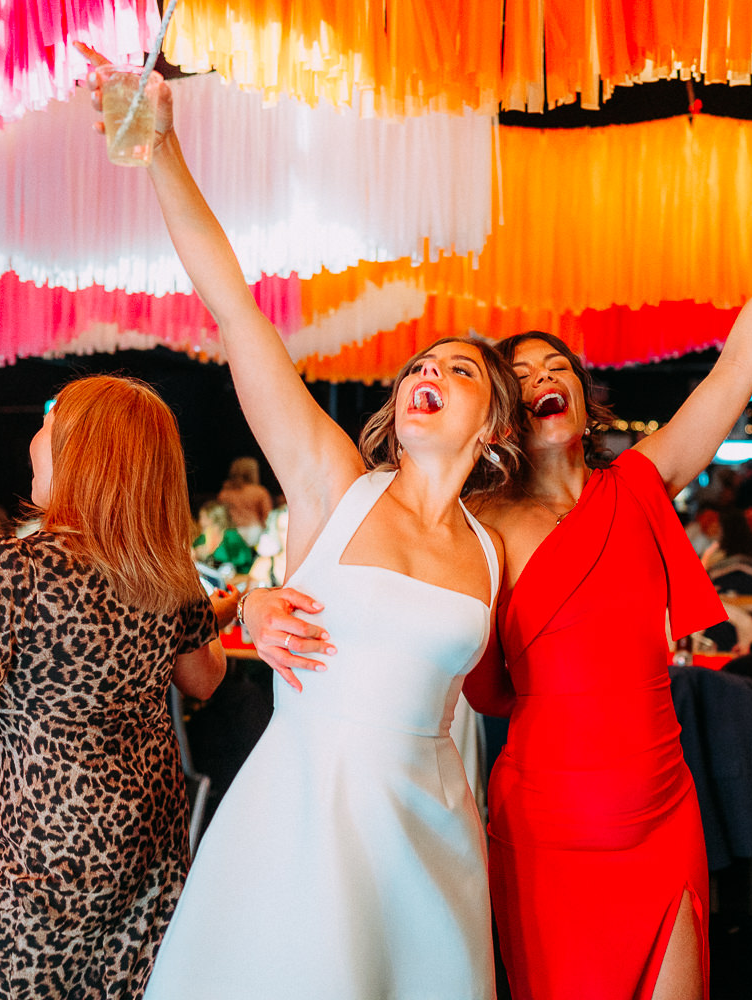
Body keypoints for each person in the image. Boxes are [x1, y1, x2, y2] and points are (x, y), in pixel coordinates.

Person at [250, 151, 752, 998]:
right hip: (541, 832)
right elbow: (369, 607)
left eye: (554, 367)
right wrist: (259, 600)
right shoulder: (472, 529)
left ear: (581, 394)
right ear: (498, 417)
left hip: (663, 812)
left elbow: (741, 363)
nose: (541, 379)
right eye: (519, 376)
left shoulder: (639, 485)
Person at [76, 44, 526, 999]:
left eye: (458, 371)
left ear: (491, 430)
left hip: (433, 826)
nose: (426, 376)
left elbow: (462, 703)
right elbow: (237, 313)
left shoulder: (493, 548)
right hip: (308, 819)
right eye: (420, 367)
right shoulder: (335, 481)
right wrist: (159, 148)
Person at [0, 375, 229, 999]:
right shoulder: (167, 567)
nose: (33, 438)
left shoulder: (14, 568)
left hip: (51, 856)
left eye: (49, 426)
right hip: (151, 839)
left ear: (84, 454)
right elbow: (205, 677)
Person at [216, 456, 273, 546]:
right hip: (254, 531)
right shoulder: (259, 491)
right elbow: (267, 516)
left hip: (232, 532)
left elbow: (220, 516)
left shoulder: (225, 493)